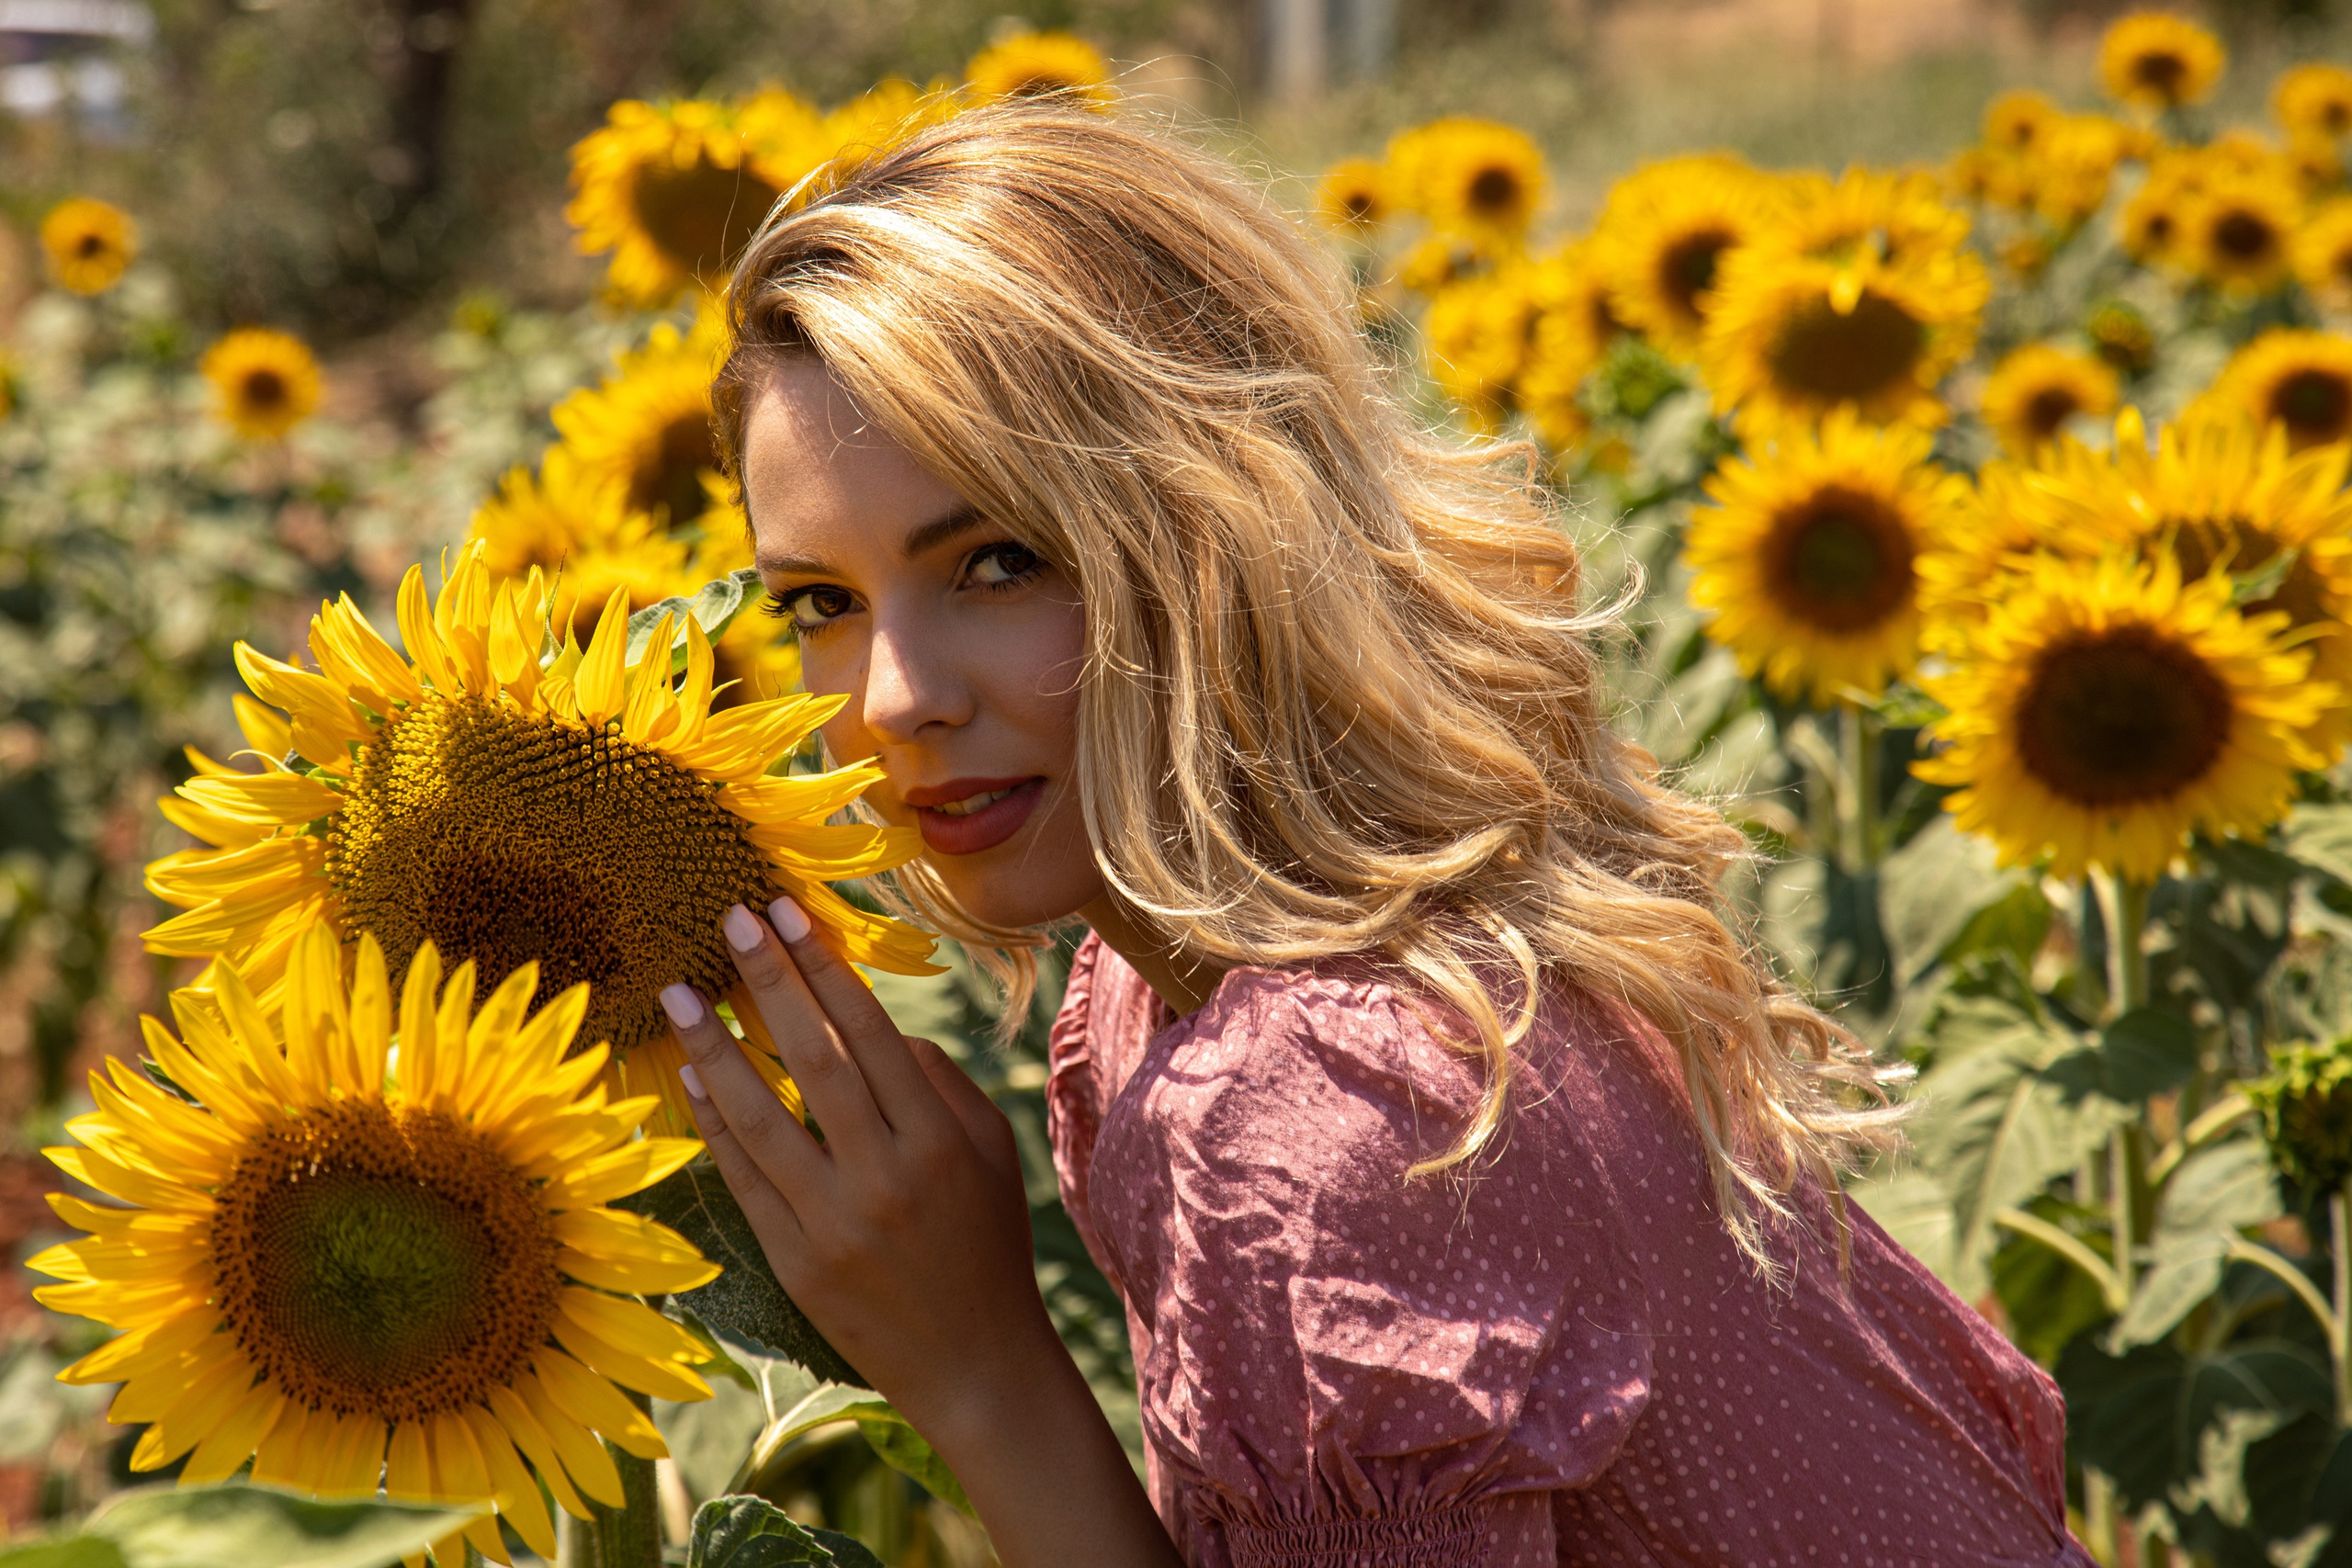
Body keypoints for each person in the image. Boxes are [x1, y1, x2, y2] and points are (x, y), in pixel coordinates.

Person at [655, 100, 2091, 1568]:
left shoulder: (1331, 1118)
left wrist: (981, 1374)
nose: (894, 700)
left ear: (1212, 532)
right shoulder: (1203, 986)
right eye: (819, 604)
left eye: (998, 561)